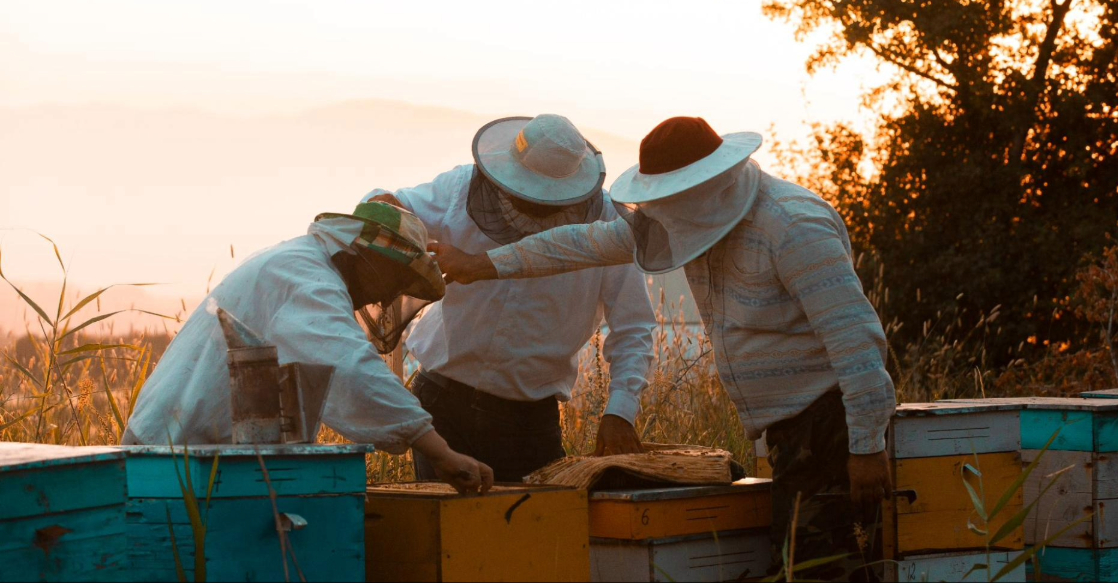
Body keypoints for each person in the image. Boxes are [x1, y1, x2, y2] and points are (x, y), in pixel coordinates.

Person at [432, 116, 897, 550]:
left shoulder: (794, 226)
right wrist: (481, 265)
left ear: (709, 182)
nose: (664, 208)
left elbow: (856, 341)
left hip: (829, 424)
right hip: (792, 430)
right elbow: (579, 243)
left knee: (816, 565)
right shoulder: (689, 218)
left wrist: (866, 446)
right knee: (803, 560)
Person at [124, 200, 493, 494]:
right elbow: (350, 367)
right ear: (371, 260)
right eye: (395, 281)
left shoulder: (299, 262)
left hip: (191, 452)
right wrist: (440, 452)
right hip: (172, 456)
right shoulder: (306, 280)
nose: (388, 295)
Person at [363, 114, 656, 483]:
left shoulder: (611, 227)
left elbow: (634, 326)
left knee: (529, 536)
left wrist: (620, 411)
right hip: (441, 402)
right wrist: (390, 213)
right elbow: (387, 204)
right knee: (446, 535)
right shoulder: (460, 188)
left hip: (528, 424)